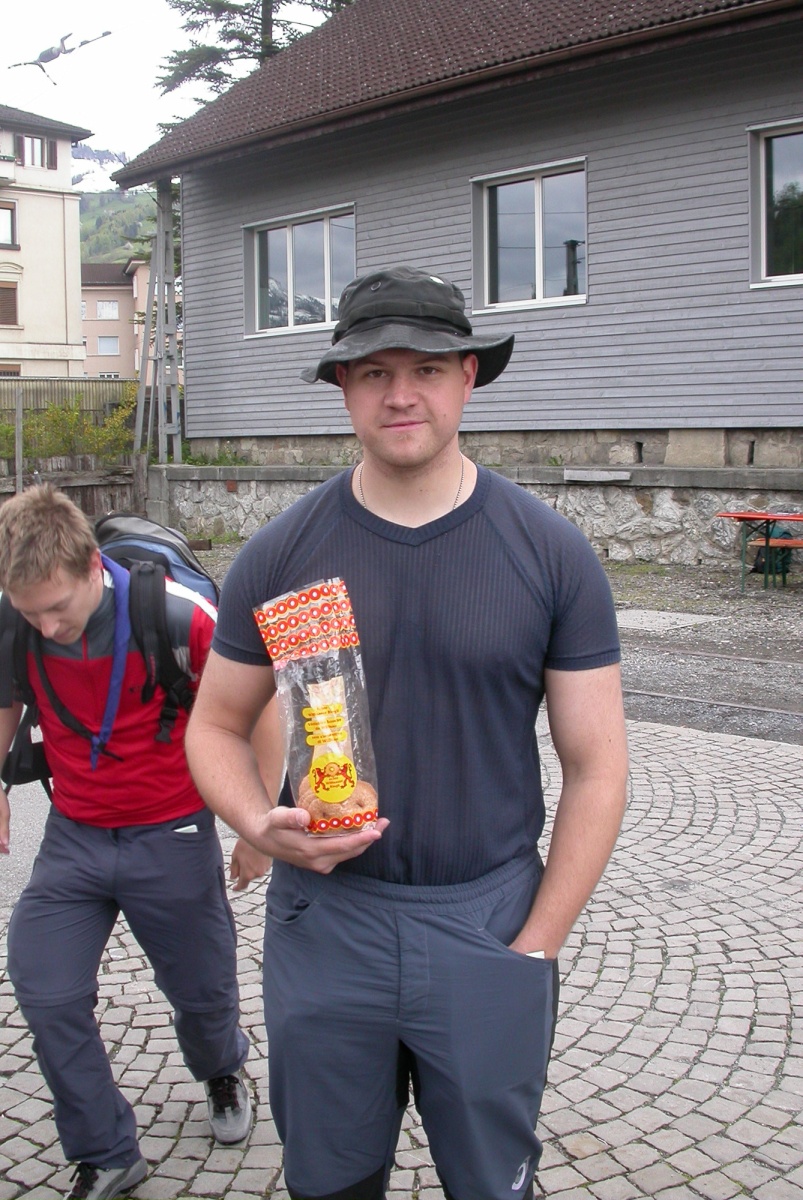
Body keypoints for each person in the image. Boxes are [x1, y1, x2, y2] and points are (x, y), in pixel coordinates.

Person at [185, 266, 629, 1200]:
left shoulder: (549, 552)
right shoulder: (280, 552)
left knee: (489, 1184)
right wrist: (256, 823)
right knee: (330, 1184)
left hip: (489, 919)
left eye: (425, 368)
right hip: (327, 924)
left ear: (467, 376)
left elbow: (597, 768)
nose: (400, 394)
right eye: (373, 372)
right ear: (342, 388)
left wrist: (536, 944)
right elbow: (215, 724)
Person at [0, 486, 275, 1200]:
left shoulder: (179, 615)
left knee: (201, 988)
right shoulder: (16, 620)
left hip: (172, 831)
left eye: (58, 607)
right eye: (30, 612)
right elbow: (5, 702)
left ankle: (222, 1070)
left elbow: (262, 709)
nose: (47, 626)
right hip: (75, 837)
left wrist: (257, 826)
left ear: (93, 566)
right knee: (44, 984)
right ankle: (106, 1151)